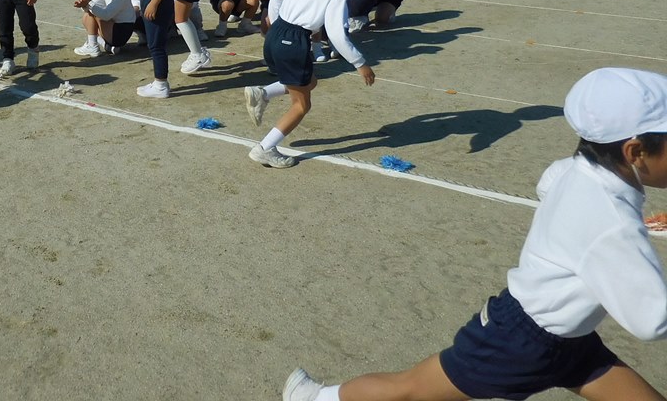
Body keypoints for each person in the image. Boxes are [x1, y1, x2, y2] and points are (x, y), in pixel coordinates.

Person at [283, 67, 667, 401]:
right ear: (634, 151)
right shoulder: (610, 219)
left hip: (567, 337)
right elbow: (651, 320)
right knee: (411, 390)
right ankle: (316, 398)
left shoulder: (579, 167)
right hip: (519, 341)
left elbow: (548, 183)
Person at [243, 0, 376, 169]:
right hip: (294, 41)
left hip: (277, 35)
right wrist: (360, 63)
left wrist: (276, 28)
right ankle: (264, 148)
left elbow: (276, 0)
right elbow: (337, 35)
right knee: (302, 105)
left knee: (309, 81)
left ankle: (262, 93)